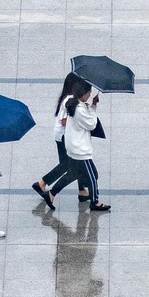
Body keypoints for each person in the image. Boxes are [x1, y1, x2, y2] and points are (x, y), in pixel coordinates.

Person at [30, 73, 93, 209]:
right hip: (65, 137)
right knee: (71, 166)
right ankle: (42, 183)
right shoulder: (69, 100)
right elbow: (64, 121)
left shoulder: (69, 98)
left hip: (63, 136)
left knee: (73, 165)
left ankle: (82, 191)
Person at [63, 83, 111, 212]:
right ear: (83, 93)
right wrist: (93, 107)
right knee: (92, 176)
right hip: (81, 150)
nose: (90, 94)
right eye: (89, 92)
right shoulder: (79, 109)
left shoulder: (72, 103)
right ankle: (94, 202)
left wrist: (91, 105)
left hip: (74, 147)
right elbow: (91, 124)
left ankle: (52, 193)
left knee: (76, 174)